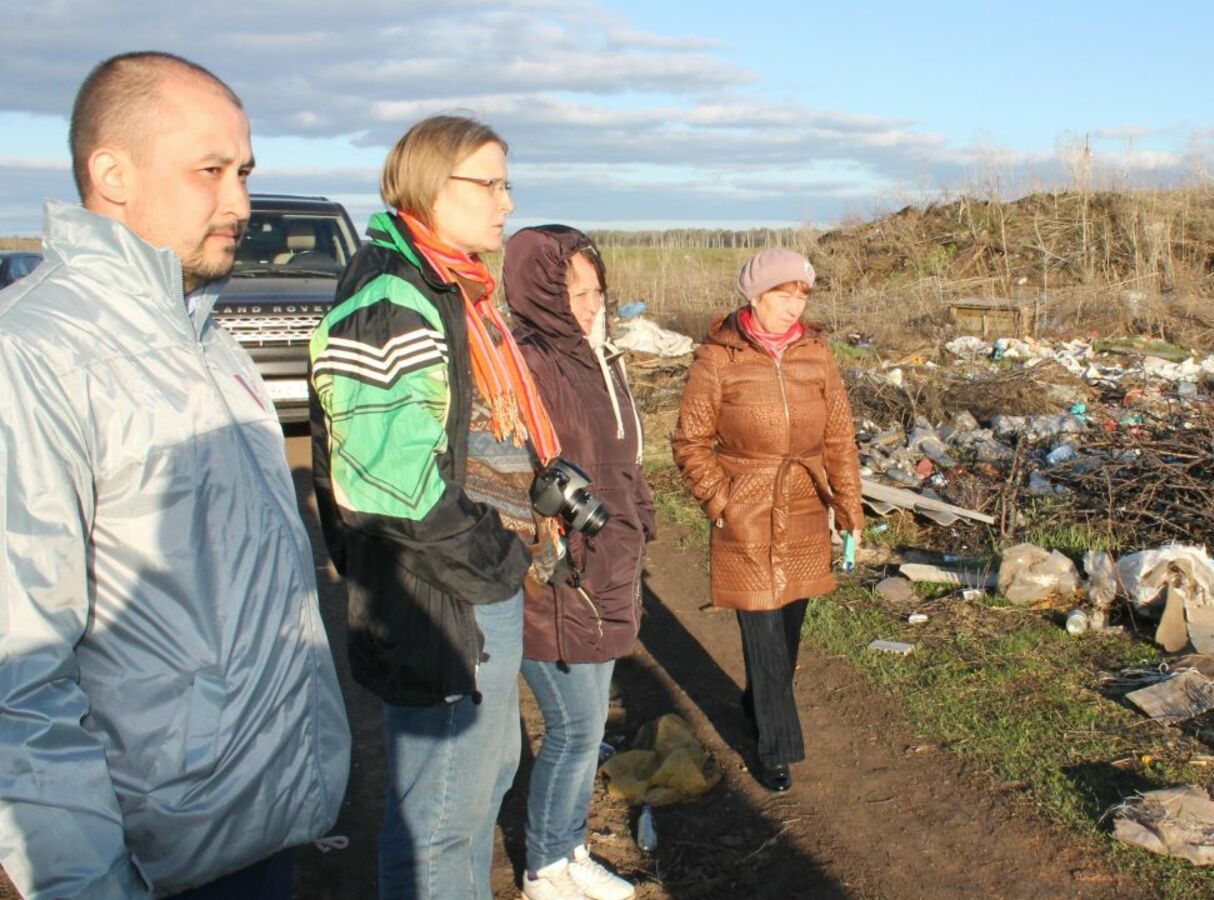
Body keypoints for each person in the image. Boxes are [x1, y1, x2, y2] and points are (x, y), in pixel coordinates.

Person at [0, 52, 350, 898]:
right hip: (143, 853)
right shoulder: (35, 356)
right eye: (211, 171)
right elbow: (18, 677)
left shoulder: (208, 344)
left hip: (257, 819)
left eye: (245, 172)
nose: (240, 203)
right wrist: (83, 882)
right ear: (110, 174)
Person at [307, 115, 529, 899]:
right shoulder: (391, 297)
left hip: (457, 586)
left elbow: (454, 442)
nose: (507, 202)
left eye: (509, 183)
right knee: (437, 825)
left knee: (474, 795)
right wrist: (497, 561)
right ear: (433, 187)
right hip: (438, 599)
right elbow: (388, 493)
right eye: (491, 183)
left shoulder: (448, 285)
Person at [672, 248, 864, 792]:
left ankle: (759, 703)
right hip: (748, 506)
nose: (794, 307)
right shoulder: (719, 358)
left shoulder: (817, 352)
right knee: (761, 626)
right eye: (784, 295)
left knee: (788, 627)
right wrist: (721, 501)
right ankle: (775, 748)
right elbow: (691, 440)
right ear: (755, 297)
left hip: (804, 500)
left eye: (802, 295)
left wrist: (848, 506)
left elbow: (839, 436)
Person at [501, 226, 653, 899]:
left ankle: (568, 849)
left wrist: (638, 523)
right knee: (574, 727)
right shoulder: (527, 361)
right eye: (575, 291)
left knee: (585, 729)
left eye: (597, 290)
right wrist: (566, 548)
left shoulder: (599, 357)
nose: (591, 303)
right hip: (560, 575)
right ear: (542, 292)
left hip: (609, 565)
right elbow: (514, 471)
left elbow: (624, 459)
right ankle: (544, 867)